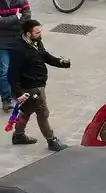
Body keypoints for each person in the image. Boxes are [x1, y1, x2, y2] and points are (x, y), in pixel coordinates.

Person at [7, 19, 71, 151]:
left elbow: (44, 55)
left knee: (27, 111)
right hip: (32, 87)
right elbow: (12, 73)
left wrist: (60, 62)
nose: (40, 34)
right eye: (37, 32)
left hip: (38, 83)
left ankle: (18, 135)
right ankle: (52, 141)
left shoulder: (36, 41)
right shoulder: (19, 49)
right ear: (28, 34)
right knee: (43, 113)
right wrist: (19, 93)